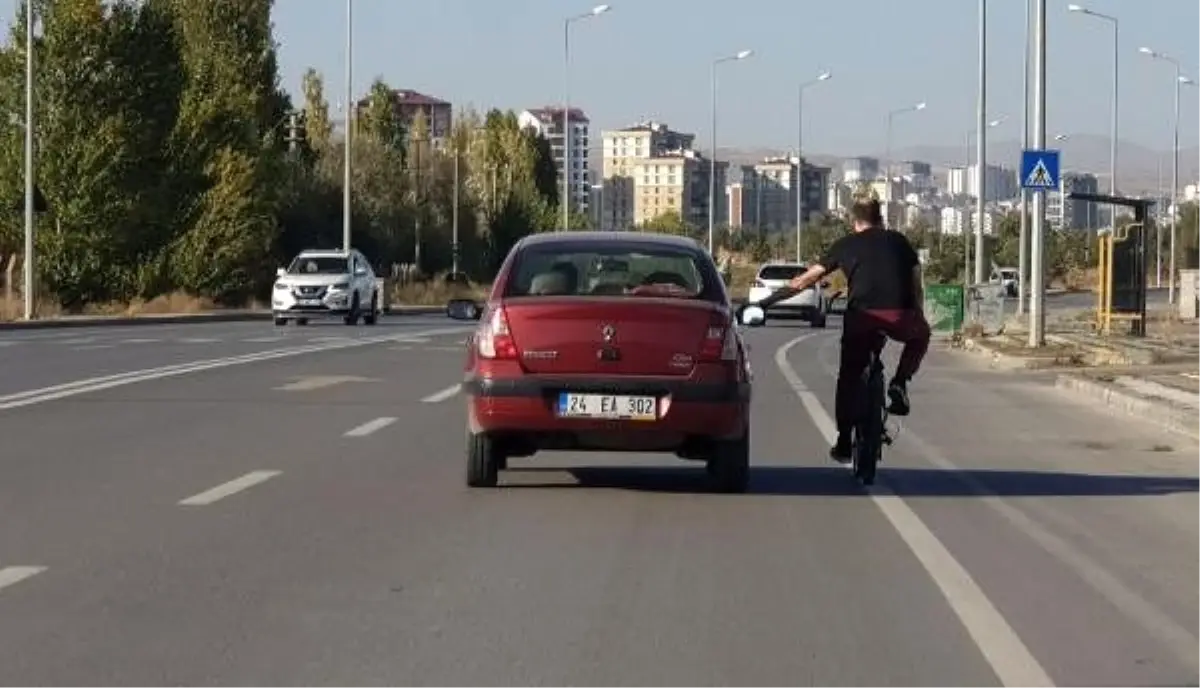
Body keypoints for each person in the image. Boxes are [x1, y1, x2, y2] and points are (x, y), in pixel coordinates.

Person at [760, 198, 931, 463]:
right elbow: (916, 284)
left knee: (849, 378)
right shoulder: (900, 241)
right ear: (881, 219)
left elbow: (806, 279)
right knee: (921, 335)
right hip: (900, 316)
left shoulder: (846, 244)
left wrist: (765, 302)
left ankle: (843, 441)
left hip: (862, 318)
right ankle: (900, 382)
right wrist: (916, 314)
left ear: (855, 222)